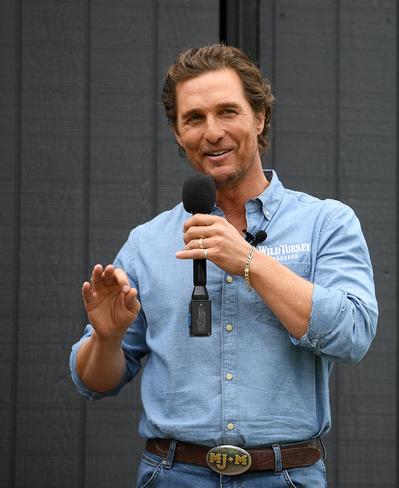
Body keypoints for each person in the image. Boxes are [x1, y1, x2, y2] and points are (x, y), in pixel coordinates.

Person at [69, 43, 378, 488]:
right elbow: (94, 382)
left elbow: (352, 335)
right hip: (172, 475)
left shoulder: (325, 222)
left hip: (285, 476)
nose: (212, 132)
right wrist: (106, 337)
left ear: (260, 117)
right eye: (193, 118)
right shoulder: (146, 243)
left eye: (228, 111)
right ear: (178, 133)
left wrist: (249, 261)